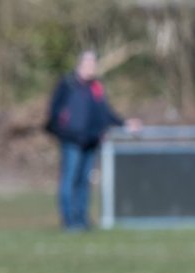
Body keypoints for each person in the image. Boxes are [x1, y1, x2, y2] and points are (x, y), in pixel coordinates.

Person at [45, 50, 140, 230]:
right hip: (71, 140)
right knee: (69, 180)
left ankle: (81, 218)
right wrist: (63, 131)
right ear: (80, 64)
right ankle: (69, 220)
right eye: (88, 63)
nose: (91, 67)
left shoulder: (96, 87)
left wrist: (124, 124)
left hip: (91, 141)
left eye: (93, 63)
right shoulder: (68, 84)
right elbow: (54, 112)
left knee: (84, 182)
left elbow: (105, 113)